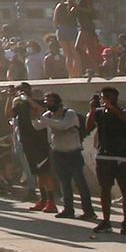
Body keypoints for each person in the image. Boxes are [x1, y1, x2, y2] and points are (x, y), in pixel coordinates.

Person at [39, 92, 93, 222]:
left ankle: (89, 211)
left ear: (58, 102)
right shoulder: (48, 115)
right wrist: (34, 113)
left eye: (51, 101)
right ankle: (68, 209)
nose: (48, 104)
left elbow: (62, 126)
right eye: (47, 102)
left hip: (72, 152)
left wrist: (43, 117)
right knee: (64, 182)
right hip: (58, 152)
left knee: (80, 182)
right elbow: (37, 125)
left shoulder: (69, 114)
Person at [88, 87, 126, 235]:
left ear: (115, 98)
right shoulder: (99, 112)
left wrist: (113, 109)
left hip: (123, 157)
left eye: (108, 97)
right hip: (104, 155)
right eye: (103, 97)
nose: (105, 99)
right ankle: (106, 222)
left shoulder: (124, 111)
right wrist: (92, 109)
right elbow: (88, 126)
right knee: (105, 190)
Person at [11, 93, 56, 212]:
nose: (31, 111)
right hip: (31, 148)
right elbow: (9, 113)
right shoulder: (31, 118)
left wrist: (29, 100)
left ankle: (51, 201)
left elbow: (41, 110)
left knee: (46, 174)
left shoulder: (45, 115)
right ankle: (43, 199)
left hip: (43, 147)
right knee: (39, 174)